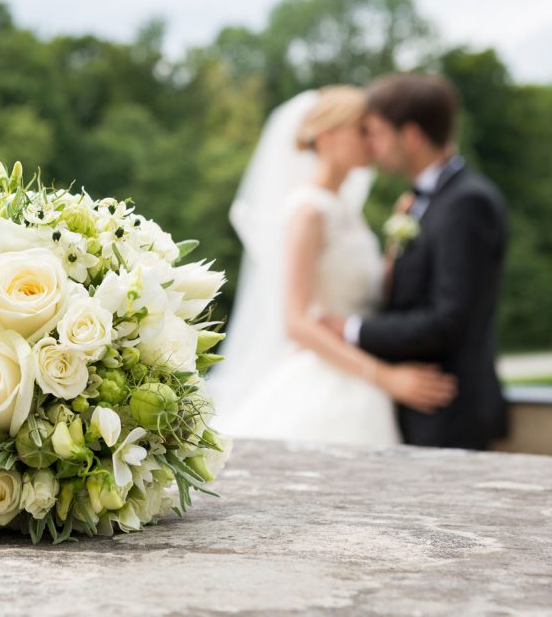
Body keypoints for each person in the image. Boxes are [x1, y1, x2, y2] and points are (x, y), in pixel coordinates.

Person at [210, 85, 457, 446]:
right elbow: (296, 322)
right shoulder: (307, 211)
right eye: (362, 130)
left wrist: (396, 250)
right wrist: (387, 378)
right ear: (327, 137)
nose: (373, 140)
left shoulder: (344, 209)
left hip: (357, 373)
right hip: (328, 380)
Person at [321, 74, 509, 450]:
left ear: (411, 136)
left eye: (376, 133)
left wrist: (353, 330)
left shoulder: (467, 203)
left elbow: (448, 319)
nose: (370, 144)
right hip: (417, 409)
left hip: (446, 411)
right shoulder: (425, 201)